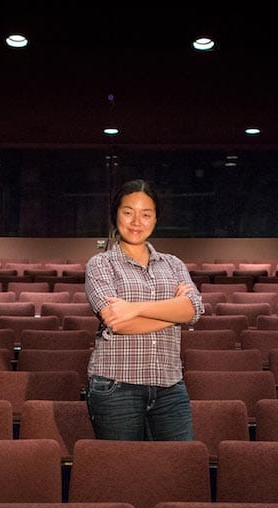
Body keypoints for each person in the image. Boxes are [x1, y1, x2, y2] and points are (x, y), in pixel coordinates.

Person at [84, 179, 204, 441]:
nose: (136, 221)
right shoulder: (100, 264)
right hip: (116, 386)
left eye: (146, 214)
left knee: (178, 468)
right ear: (116, 215)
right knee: (125, 473)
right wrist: (173, 314)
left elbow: (194, 309)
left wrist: (134, 308)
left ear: (156, 219)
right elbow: (117, 321)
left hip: (170, 387)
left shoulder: (173, 264)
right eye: (128, 212)